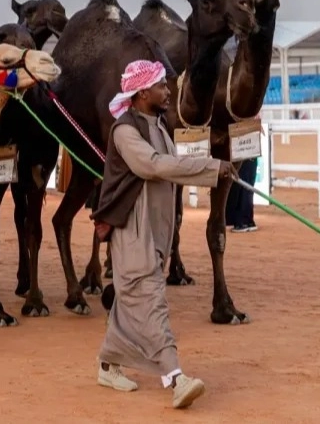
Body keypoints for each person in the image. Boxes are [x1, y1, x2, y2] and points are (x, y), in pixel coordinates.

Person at [92, 59, 232, 409]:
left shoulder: (158, 127)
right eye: (161, 86)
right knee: (151, 299)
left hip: (156, 232)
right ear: (142, 93)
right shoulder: (125, 131)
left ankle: (108, 365)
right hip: (133, 232)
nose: (168, 91)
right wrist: (211, 168)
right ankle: (175, 377)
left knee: (132, 298)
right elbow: (153, 166)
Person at [225, 156, 259, 232]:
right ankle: (246, 221)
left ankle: (242, 222)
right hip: (249, 157)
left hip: (243, 157)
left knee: (241, 188)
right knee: (246, 188)